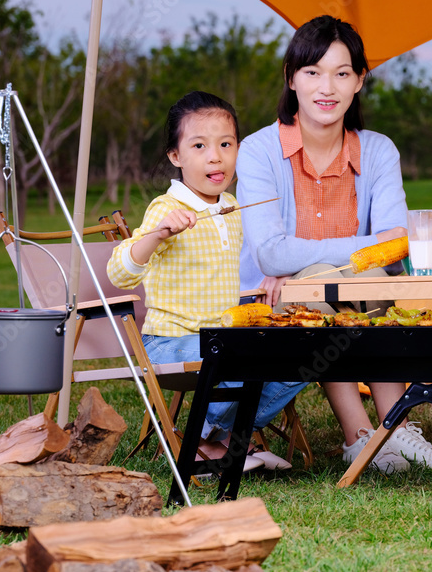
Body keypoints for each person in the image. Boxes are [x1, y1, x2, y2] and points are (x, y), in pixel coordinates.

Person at [237, 15, 432, 474]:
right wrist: (363, 247)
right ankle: (366, 435)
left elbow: (396, 248)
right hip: (270, 299)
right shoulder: (259, 151)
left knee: (362, 277)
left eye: (342, 73)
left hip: (356, 291)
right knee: (329, 281)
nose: (327, 86)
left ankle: (391, 431)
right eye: (313, 72)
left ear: (360, 80)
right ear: (291, 78)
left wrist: (339, 254)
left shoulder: (378, 150)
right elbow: (270, 256)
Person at [108, 90, 304, 471]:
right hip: (170, 343)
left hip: (221, 339)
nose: (215, 156)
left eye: (225, 144)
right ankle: (209, 437)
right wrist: (157, 235)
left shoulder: (231, 208)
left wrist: (275, 271)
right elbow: (118, 273)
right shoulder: (167, 209)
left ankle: (225, 440)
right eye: (199, 145)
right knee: (238, 358)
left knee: (302, 354)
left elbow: (252, 257)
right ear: (176, 156)